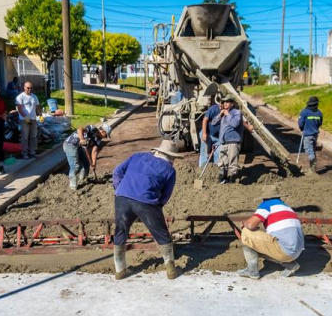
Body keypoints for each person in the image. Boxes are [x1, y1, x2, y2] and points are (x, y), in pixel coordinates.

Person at [112, 140, 183, 280]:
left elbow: (116, 172)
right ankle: (171, 271)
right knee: (162, 234)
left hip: (122, 198)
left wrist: (119, 189)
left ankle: (120, 270)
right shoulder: (169, 170)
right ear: (171, 157)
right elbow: (165, 196)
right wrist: (155, 210)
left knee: (120, 231)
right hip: (147, 202)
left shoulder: (137, 156)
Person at [237, 185, 305, 279]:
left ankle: (252, 271)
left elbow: (251, 225)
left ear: (265, 198)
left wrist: (244, 223)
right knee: (264, 244)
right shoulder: (287, 207)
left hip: (284, 250)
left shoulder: (267, 204)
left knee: (246, 233)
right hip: (297, 252)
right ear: (278, 197)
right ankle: (290, 264)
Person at [211, 94, 254, 183]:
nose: (225, 103)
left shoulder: (236, 113)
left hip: (233, 141)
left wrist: (228, 114)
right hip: (223, 142)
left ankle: (232, 180)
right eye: (224, 102)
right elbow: (213, 123)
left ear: (232, 104)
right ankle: (223, 178)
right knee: (222, 162)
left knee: (232, 162)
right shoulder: (223, 114)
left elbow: (235, 124)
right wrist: (220, 115)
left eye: (227, 102)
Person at [62, 123, 112, 190]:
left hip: (78, 147)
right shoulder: (92, 129)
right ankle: (73, 186)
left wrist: (93, 164)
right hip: (70, 145)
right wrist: (82, 139)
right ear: (103, 131)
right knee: (75, 166)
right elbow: (79, 129)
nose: (105, 137)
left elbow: (94, 152)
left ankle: (83, 179)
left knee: (86, 164)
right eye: (106, 135)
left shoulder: (98, 140)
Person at [298, 95, 323, 174]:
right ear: (316, 104)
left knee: (309, 150)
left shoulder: (304, 112)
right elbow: (320, 123)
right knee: (312, 149)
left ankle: (313, 168)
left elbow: (300, 123)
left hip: (307, 134)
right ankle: (313, 169)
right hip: (315, 134)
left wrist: (302, 129)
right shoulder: (319, 113)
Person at [16, 81, 41, 159]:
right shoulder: (20, 97)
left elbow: (37, 107)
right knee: (25, 137)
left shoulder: (34, 97)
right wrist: (25, 117)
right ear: (24, 87)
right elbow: (19, 108)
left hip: (33, 119)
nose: (30, 89)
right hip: (24, 120)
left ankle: (32, 152)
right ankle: (24, 153)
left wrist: (40, 115)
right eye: (28, 88)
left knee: (33, 136)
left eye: (31, 88)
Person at [199, 98, 221, 167]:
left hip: (218, 137)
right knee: (205, 152)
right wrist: (204, 134)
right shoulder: (214, 108)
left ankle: (215, 169)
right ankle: (202, 168)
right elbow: (205, 120)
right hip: (208, 134)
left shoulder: (228, 112)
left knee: (218, 154)